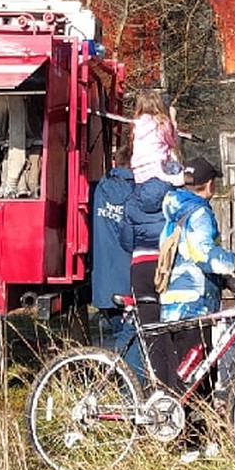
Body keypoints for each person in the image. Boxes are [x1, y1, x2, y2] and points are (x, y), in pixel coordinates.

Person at [159, 156, 235, 461]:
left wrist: (229, 282)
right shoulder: (199, 212)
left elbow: (189, 255)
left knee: (197, 375)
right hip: (192, 305)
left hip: (176, 303)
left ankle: (198, 442)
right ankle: (188, 447)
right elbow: (204, 255)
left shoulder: (177, 206)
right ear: (211, 185)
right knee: (195, 379)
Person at [122, 171, 177, 389]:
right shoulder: (172, 196)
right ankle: (173, 389)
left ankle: (157, 389)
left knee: (151, 331)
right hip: (165, 266)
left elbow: (126, 241)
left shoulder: (132, 201)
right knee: (172, 328)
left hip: (140, 267)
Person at [89, 148, 141, 376]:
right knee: (130, 339)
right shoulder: (138, 195)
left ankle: (125, 384)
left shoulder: (99, 190)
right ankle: (129, 392)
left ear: (114, 162)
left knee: (120, 334)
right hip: (129, 282)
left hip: (102, 282)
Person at [129, 90, 183, 185]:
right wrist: (173, 119)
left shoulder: (136, 124)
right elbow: (173, 141)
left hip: (138, 171)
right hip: (157, 168)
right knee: (184, 176)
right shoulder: (160, 123)